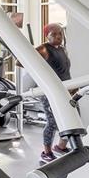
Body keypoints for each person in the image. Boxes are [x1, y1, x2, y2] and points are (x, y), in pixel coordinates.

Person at [34, 23, 72, 163]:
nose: (58, 37)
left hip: (66, 88)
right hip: (49, 91)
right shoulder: (43, 49)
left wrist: (73, 86)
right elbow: (21, 62)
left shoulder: (62, 49)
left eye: (60, 34)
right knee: (53, 122)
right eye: (54, 34)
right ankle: (46, 151)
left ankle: (61, 147)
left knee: (73, 117)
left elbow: (65, 71)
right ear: (47, 36)